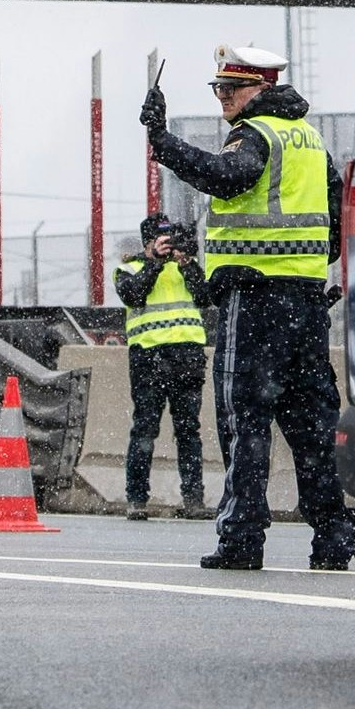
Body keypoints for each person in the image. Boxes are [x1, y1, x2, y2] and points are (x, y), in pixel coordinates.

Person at [141, 44, 355, 572]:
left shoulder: (256, 135)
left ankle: (241, 539)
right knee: (311, 426)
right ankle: (333, 538)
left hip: (256, 302)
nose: (223, 99)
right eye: (218, 89)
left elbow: (226, 176)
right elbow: (335, 218)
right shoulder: (310, 139)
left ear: (260, 89)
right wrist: (302, 265)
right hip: (306, 306)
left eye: (231, 89)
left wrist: (163, 142)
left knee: (246, 421)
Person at [110, 213, 209, 520]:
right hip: (148, 359)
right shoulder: (129, 268)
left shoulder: (186, 268)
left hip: (187, 358)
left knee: (189, 431)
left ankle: (194, 500)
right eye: (161, 240)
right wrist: (154, 262)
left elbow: (205, 296)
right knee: (144, 430)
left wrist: (187, 262)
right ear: (147, 243)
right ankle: (137, 499)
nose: (168, 245)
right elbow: (133, 293)